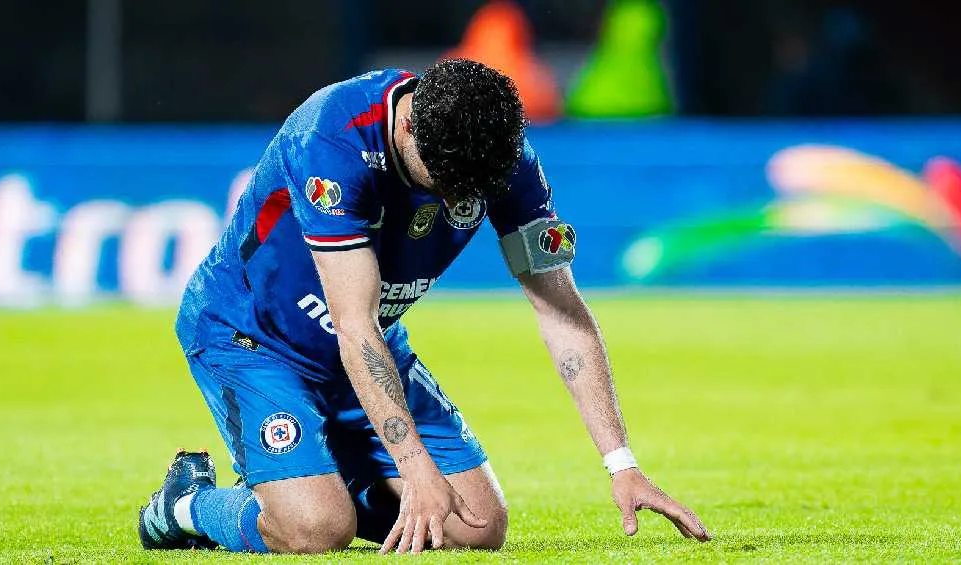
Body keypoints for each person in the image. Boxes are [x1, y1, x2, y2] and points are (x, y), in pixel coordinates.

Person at [137, 59, 711, 555]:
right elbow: (354, 324)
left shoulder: (502, 157)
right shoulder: (333, 139)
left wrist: (621, 463)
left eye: (470, 192)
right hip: (253, 338)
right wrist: (413, 467)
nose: (455, 201)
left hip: (366, 348)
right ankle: (187, 504)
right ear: (409, 125)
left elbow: (562, 313)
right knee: (316, 530)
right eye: (444, 184)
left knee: (477, 526)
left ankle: (314, 478)